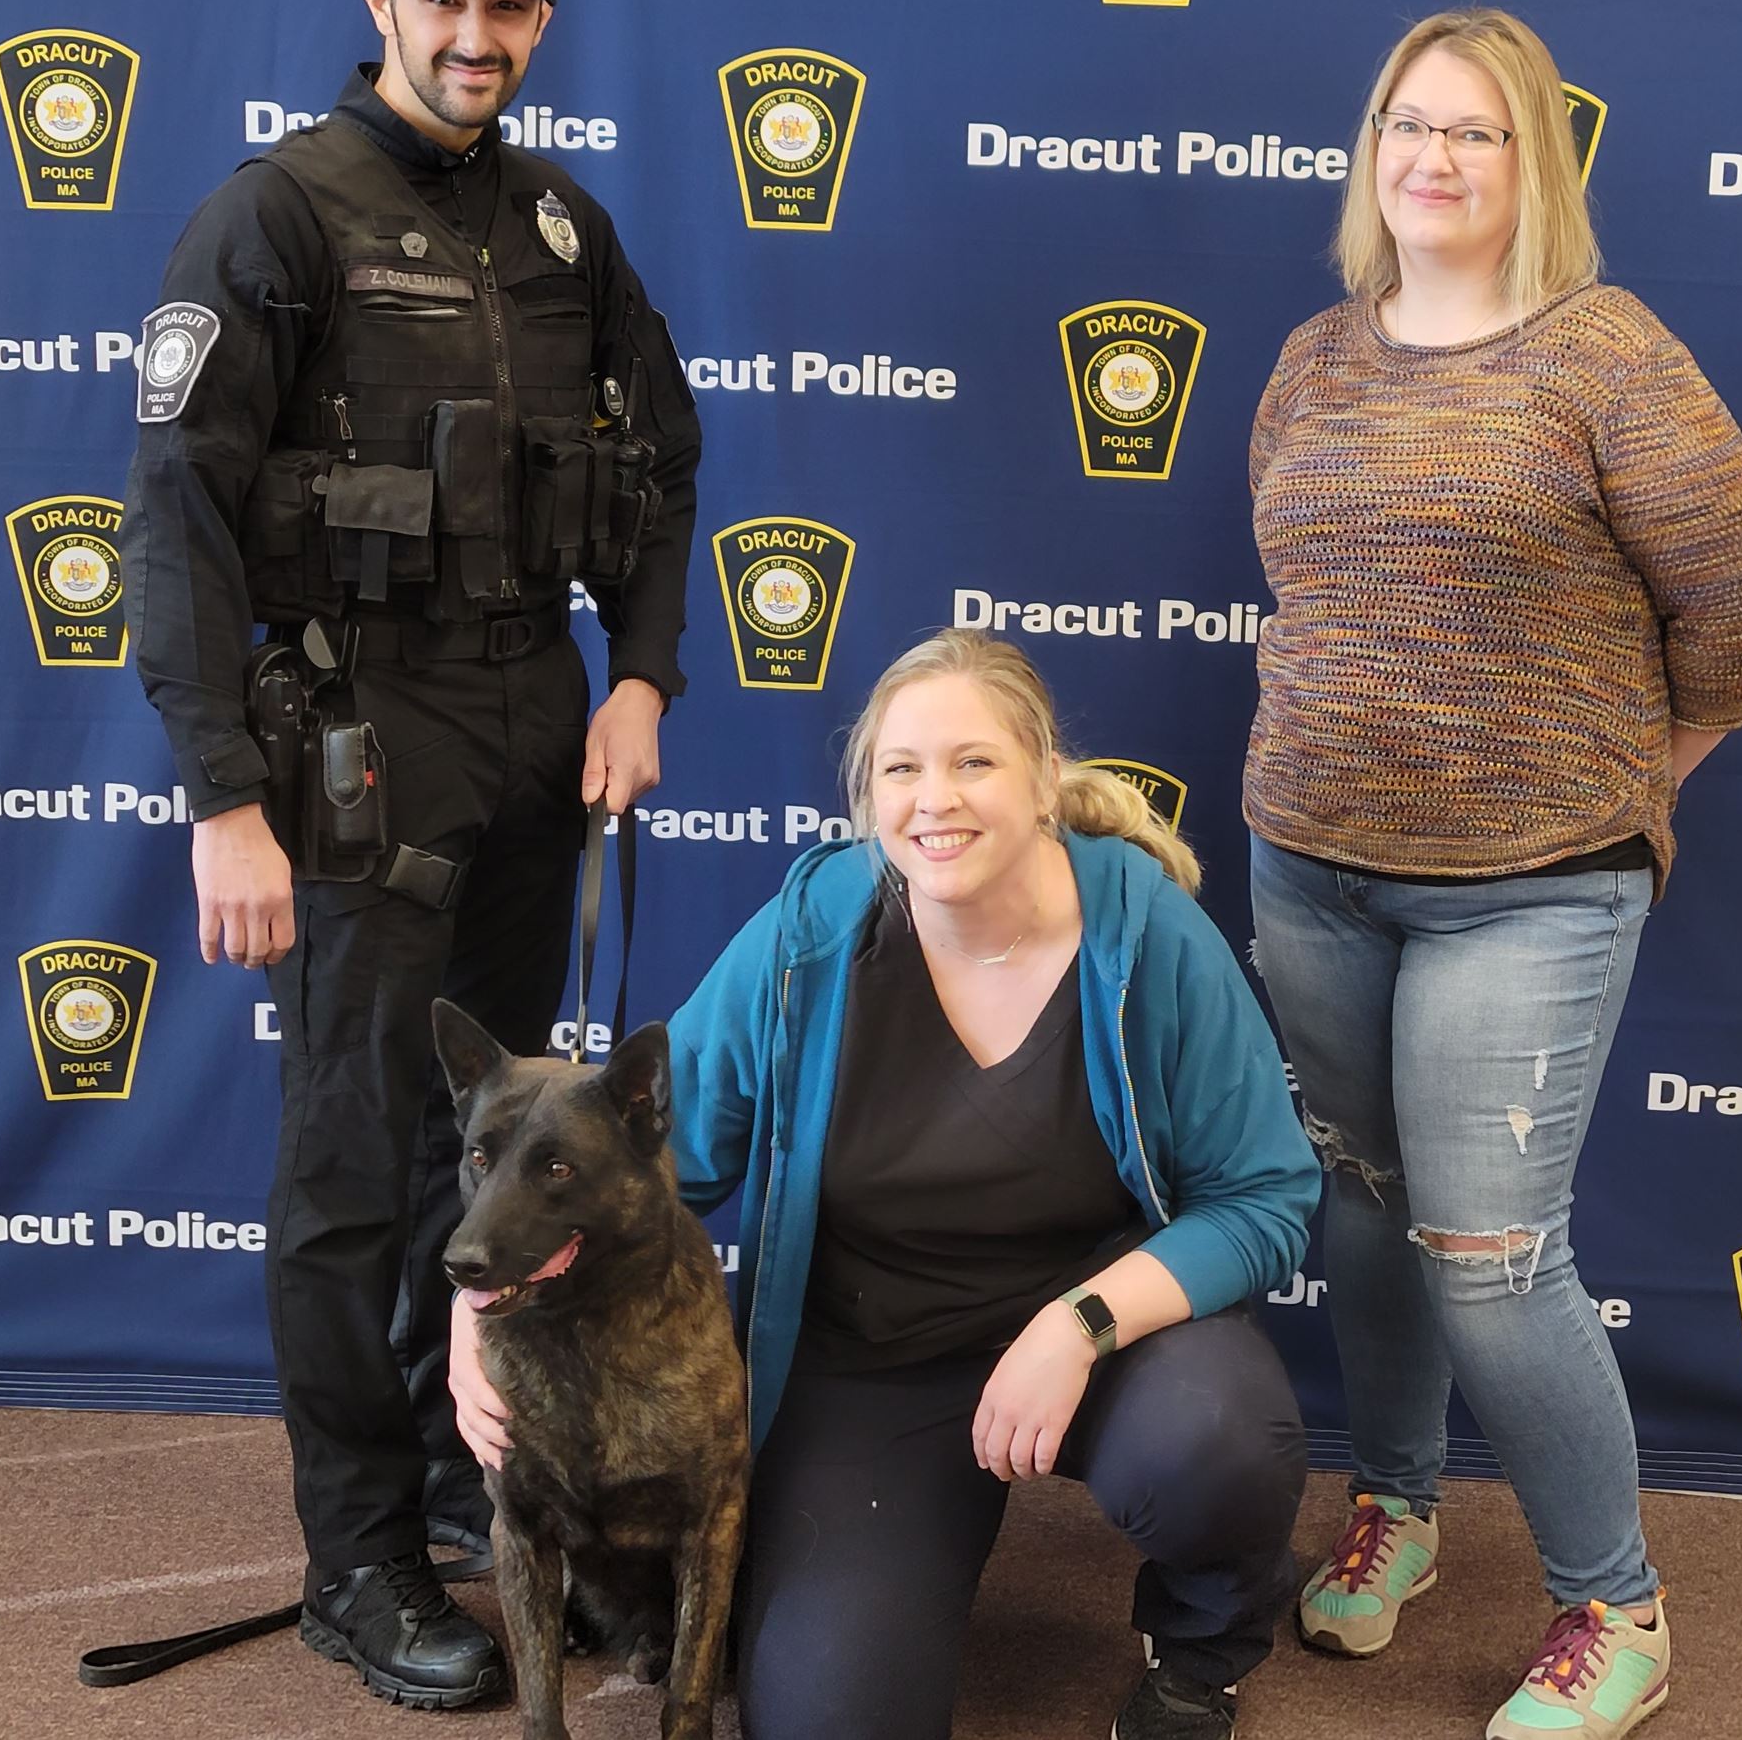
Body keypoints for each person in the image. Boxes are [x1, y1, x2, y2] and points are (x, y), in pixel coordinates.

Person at [121, 0, 700, 1710]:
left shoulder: (560, 227)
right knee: (361, 1176)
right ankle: (357, 1559)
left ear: (542, 20)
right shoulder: (276, 218)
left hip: (537, 727)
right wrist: (226, 796)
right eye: (442, 3)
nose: (474, 39)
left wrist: (650, 676)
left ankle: (477, 1472)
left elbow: (661, 460)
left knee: (516, 1166)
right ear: (382, 0)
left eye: (507, 9)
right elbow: (179, 520)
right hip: (362, 760)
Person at [451, 629, 1320, 1739]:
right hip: (874, 1361)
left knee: (1218, 1448)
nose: (933, 800)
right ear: (867, 794)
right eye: (900, 770)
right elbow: (649, 1167)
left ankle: (1200, 1649)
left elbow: (1266, 1198)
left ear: (1042, 774)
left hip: (1106, 1335)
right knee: (827, 1718)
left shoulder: (1145, 934)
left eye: (973, 762)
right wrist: (490, 1286)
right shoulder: (811, 935)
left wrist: (1079, 1323)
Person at [1244, 8, 1742, 1738]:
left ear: (1533, 161)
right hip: (1314, 868)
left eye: (1475, 132)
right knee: (1369, 1217)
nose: (1432, 156)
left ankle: (1613, 1608)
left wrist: (1657, 763)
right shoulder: (1314, 359)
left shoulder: (1603, 351)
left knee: (1490, 1250)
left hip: (1536, 884)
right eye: (1408, 121)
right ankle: (1398, 1505)